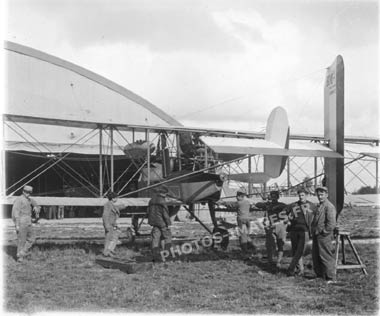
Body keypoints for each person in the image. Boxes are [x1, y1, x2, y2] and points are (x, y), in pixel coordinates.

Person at [286, 188, 316, 276]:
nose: (301, 197)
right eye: (299, 195)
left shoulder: (311, 206)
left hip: (305, 231)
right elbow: (284, 212)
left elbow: (317, 217)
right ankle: (300, 270)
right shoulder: (294, 205)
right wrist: (287, 220)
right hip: (294, 230)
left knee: (300, 251)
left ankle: (291, 269)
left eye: (302, 195)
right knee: (295, 251)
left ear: (306, 195)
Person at [310, 186, 337, 283]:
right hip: (317, 234)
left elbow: (331, 224)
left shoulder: (329, 206)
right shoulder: (320, 206)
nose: (320, 197)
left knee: (326, 256)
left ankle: (331, 277)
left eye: (322, 195)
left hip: (324, 236)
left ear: (326, 195)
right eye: (318, 195)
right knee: (316, 256)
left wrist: (324, 232)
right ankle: (320, 275)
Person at [256, 190, 287, 269]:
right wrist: (266, 204)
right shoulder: (268, 205)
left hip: (280, 225)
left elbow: (288, 208)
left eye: (275, 196)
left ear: (278, 197)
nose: (273, 198)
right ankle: (270, 261)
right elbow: (257, 204)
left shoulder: (282, 205)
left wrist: (276, 207)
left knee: (280, 244)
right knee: (270, 245)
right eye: (272, 196)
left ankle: (278, 262)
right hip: (270, 226)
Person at [11, 185, 39, 262]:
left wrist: (36, 207)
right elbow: (15, 213)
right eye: (26, 192)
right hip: (21, 222)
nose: (28, 194)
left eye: (29, 192)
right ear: (23, 191)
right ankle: (20, 258)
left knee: (32, 238)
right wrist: (17, 225)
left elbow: (35, 204)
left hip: (28, 222)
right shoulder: (19, 200)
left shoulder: (29, 200)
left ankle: (22, 253)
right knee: (21, 240)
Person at [148, 186, 172, 262]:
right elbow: (165, 214)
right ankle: (166, 255)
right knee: (167, 237)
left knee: (155, 239)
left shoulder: (151, 200)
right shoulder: (162, 201)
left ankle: (154, 256)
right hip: (162, 223)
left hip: (154, 222)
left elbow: (148, 211)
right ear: (163, 193)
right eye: (166, 194)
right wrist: (168, 223)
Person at [102, 192, 125, 257]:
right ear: (113, 198)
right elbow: (105, 215)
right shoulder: (108, 205)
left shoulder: (111, 204)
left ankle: (109, 250)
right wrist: (106, 225)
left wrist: (122, 206)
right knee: (109, 239)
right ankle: (106, 252)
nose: (117, 199)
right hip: (109, 224)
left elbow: (115, 209)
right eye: (116, 197)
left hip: (112, 224)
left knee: (113, 237)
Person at [236, 191, 251, 255]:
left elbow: (230, 204)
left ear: (240, 196)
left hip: (241, 219)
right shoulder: (248, 202)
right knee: (247, 234)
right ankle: (251, 246)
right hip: (247, 219)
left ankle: (244, 251)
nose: (236, 198)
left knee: (242, 235)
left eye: (237, 196)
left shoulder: (238, 203)